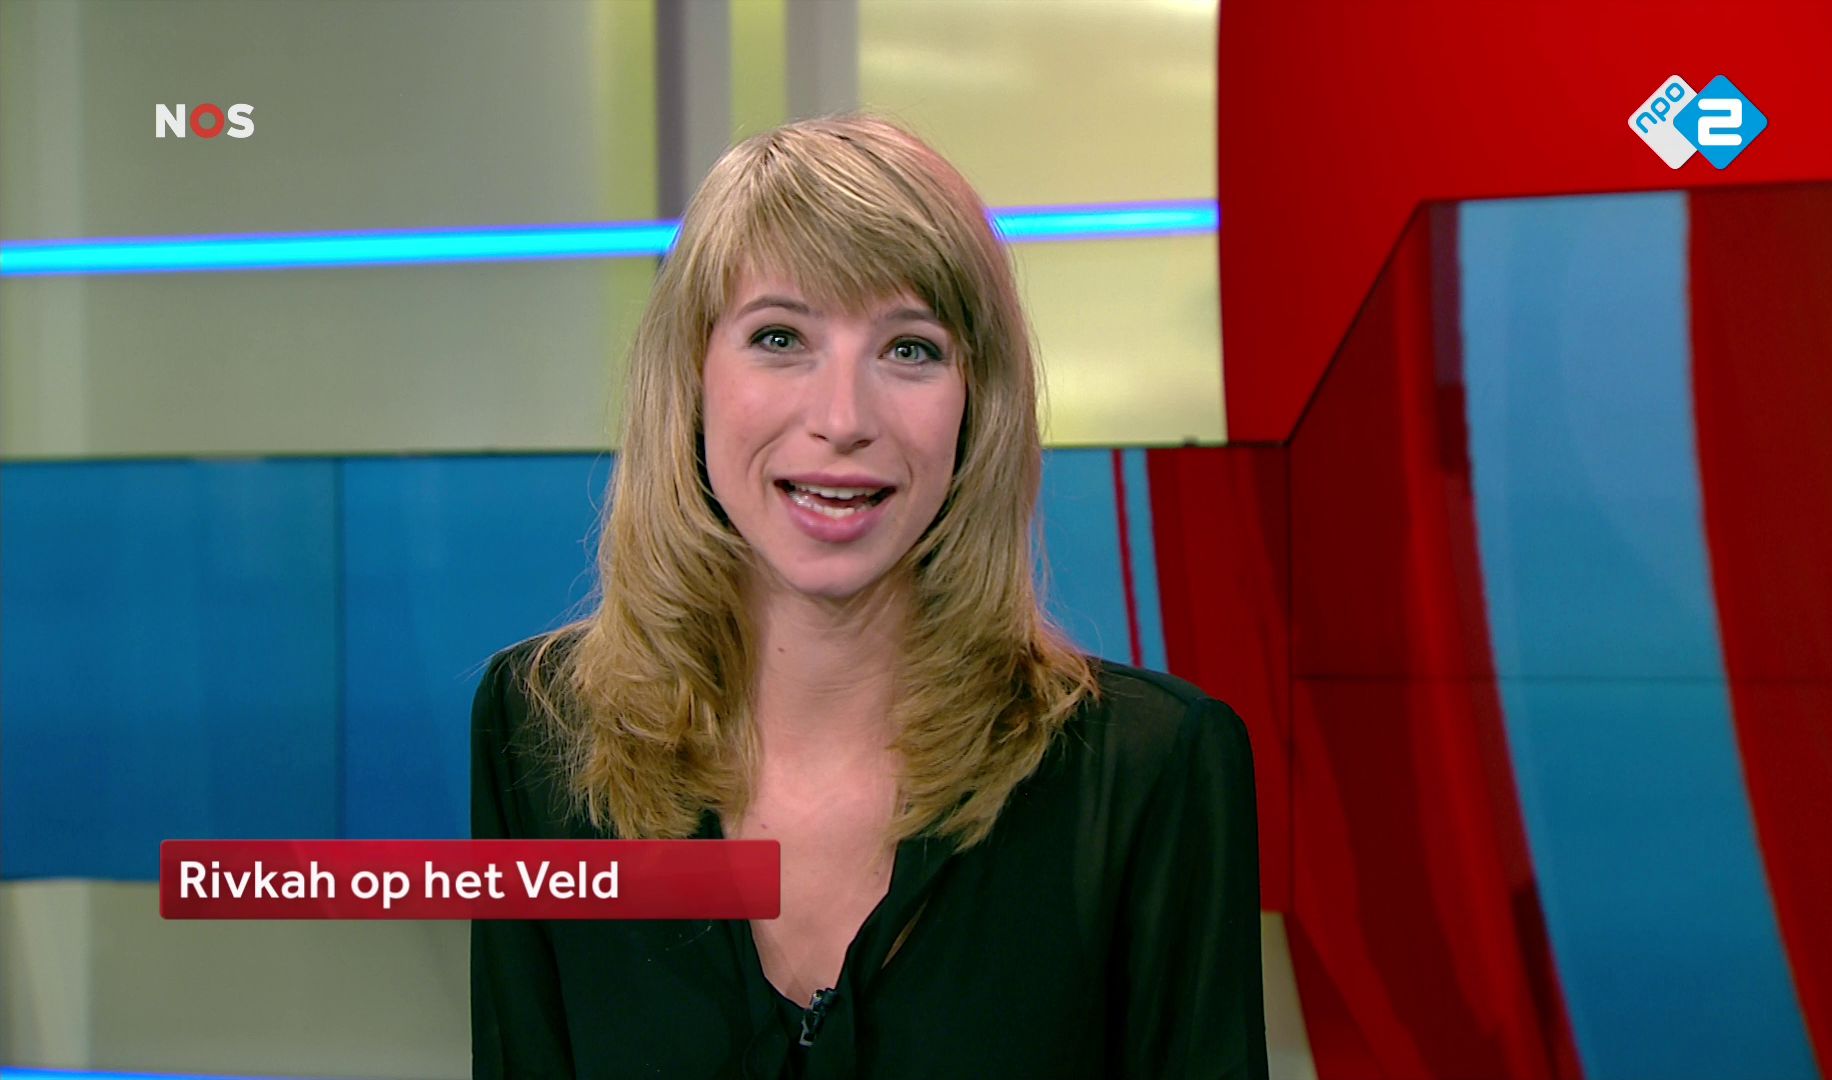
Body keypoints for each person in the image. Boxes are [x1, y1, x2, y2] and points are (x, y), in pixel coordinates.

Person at [470, 113, 1267, 1079]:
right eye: (779, 337)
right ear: (691, 383)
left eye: (910, 350)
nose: (843, 418)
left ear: (978, 404)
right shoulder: (540, 732)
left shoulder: (1152, 771)